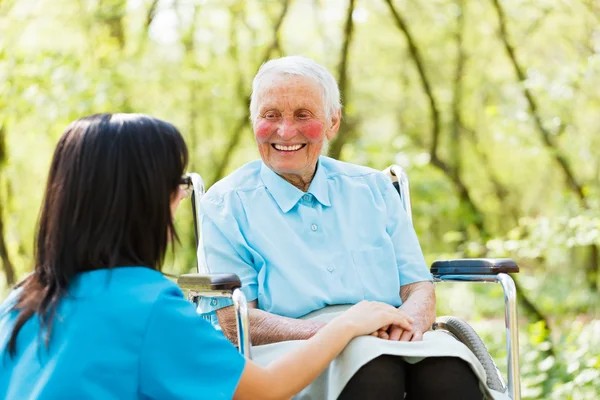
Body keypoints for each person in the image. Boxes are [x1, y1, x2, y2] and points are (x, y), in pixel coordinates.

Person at [0, 113, 415, 400]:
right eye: (174, 184)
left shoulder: (22, 299)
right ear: (144, 199)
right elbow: (267, 390)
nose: (179, 198)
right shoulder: (147, 303)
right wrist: (348, 324)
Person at [198, 56, 489, 399]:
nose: (285, 131)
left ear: (333, 122)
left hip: (391, 333)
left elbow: (418, 288)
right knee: (375, 374)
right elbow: (236, 320)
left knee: (448, 372)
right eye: (270, 115)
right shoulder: (225, 204)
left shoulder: (373, 188)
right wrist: (339, 331)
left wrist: (406, 325)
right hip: (291, 349)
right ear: (253, 121)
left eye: (303, 115)